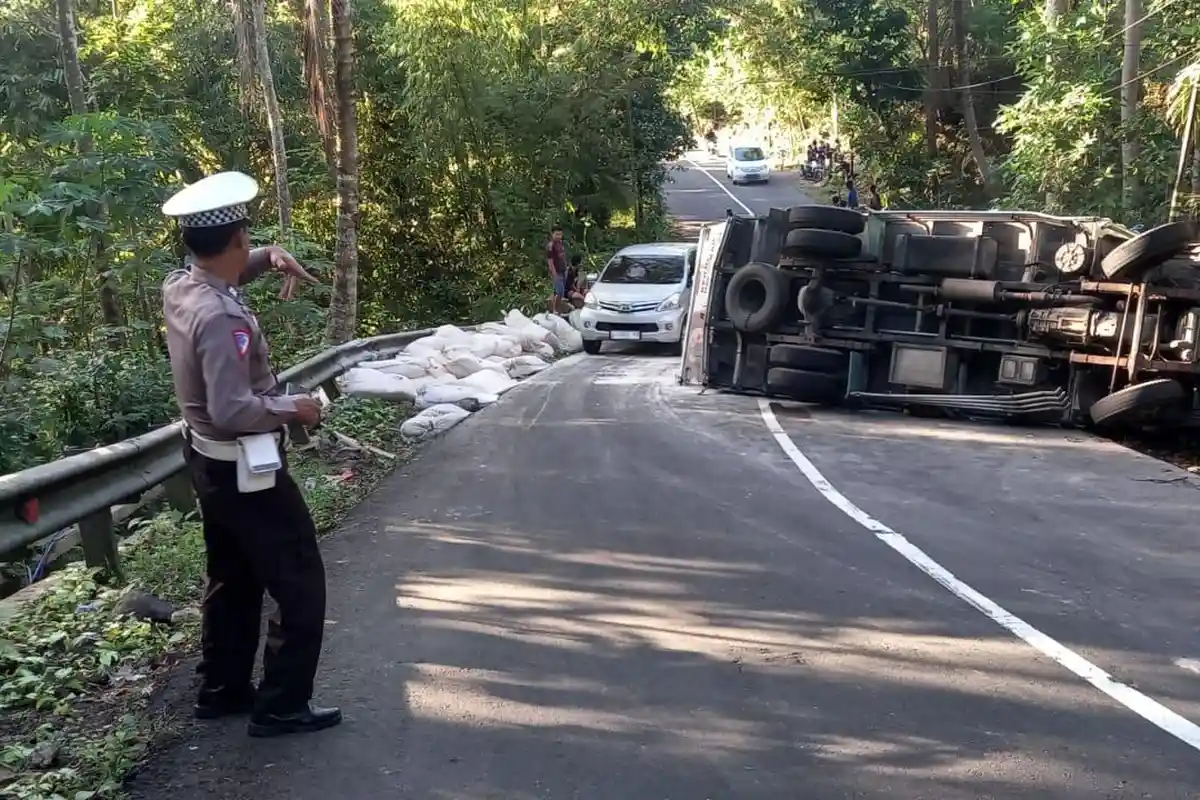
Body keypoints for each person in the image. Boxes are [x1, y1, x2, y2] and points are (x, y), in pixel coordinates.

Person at [160, 171, 340, 739]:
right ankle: (282, 703)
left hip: (207, 461)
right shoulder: (222, 318)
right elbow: (233, 408)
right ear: (236, 238)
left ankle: (223, 689)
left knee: (233, 576)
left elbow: (221, 277)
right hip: (243, 466)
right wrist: (296, 408)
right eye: (248, 238)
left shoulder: (181, 287)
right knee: (299, 577)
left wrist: (268, 257)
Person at [545, 225, 568, 314]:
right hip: (556, 271)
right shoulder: (551, 246)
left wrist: (566, 267)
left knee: (558, 292)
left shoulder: (561, 244)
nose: (558, 236)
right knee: (559, 291)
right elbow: (550, 261)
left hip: (562, 270)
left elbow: (563, 257)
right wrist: (554, 274)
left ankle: (557, 309)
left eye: (560, 234)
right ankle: (555, 309)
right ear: (552, 234)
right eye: (556, 234)